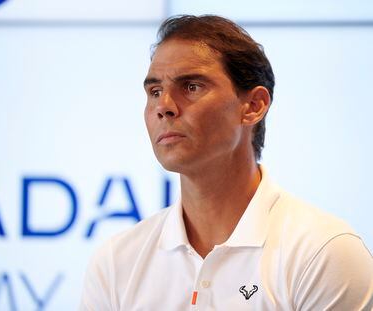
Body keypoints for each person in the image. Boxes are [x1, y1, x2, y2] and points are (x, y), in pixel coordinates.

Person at [80, 15, 373, 310]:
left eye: (192, 86)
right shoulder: (117, 262)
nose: (164, 106)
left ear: (253, 106)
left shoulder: (323, 252)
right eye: (155, 91)